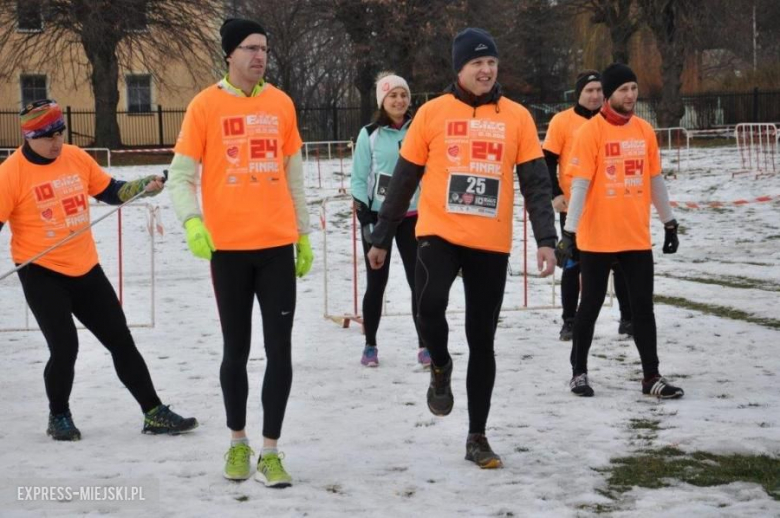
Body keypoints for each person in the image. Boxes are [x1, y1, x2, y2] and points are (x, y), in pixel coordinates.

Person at [367, 28, 557, 469]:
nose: (486, 70)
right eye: (477, 63)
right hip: (439, 232)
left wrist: (545, 239)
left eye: (491, 62)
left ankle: (477, 437)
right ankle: (440, 366)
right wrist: (380, 236)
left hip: (489, 242)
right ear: (459, 68)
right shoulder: (432, 114)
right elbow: (402, 182)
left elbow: (536, 183)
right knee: (427, 306)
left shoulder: (518, 118)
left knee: (483, 340)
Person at [167, 18, 313, 487]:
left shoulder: (281, 104)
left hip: (275, 247)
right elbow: (181, 175)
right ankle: (237, 442)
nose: (259, 56)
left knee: (280, 352)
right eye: (250, 48)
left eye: (264, 49)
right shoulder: (204, 105)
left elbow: (294, 177)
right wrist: (192, 222)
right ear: (229, 54)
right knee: (236, 350)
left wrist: (303, 234)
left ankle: (270, 451)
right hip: (228, 250)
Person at [0, 99, 198, 442]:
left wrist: (140, 187)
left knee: (120, 339)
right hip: (41, 270)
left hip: (85, 266)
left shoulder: (76, 157)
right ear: (29, 137)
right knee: (65, 347)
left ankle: (154, 413)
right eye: (47, 136)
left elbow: (110, 191)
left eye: (60, 133)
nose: (56, 142)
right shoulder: (10, 174)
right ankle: (58, 415)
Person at [556, 63, 684, 399]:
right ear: (609, 95)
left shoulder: (644, 131)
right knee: (591, 305)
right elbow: (580, 185)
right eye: (623, 90)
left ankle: (651, 376)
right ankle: (579, 372)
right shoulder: (590, 133)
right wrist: (569, 234)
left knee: (643, 308)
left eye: (633, 88)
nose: (630, 95)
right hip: (597, 237)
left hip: (635, 237)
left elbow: (654, 179)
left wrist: (669, 222)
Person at [543, 71, 633, 341]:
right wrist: (555, 193)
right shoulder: (562, 121)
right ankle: (569, 320)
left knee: (620, 263)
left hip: (612, 204)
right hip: (575, 206)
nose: (594, 96)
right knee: (573, 263)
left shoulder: (615, 121)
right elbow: (547, 160)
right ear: (578, 93)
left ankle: (628, 318)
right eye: (588, 91)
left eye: (598, 90)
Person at [351, 72, 428, 368]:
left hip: (413, 216)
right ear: (383, 100)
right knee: (376, 284)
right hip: (380, 218)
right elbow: (358, 178)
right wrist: (366, 215)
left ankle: (424, 345)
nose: (399, 100)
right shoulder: (369, 133)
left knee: (418, 283)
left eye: (404, 95)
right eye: (393, 95)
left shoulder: (418, 129)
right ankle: (370, 345)